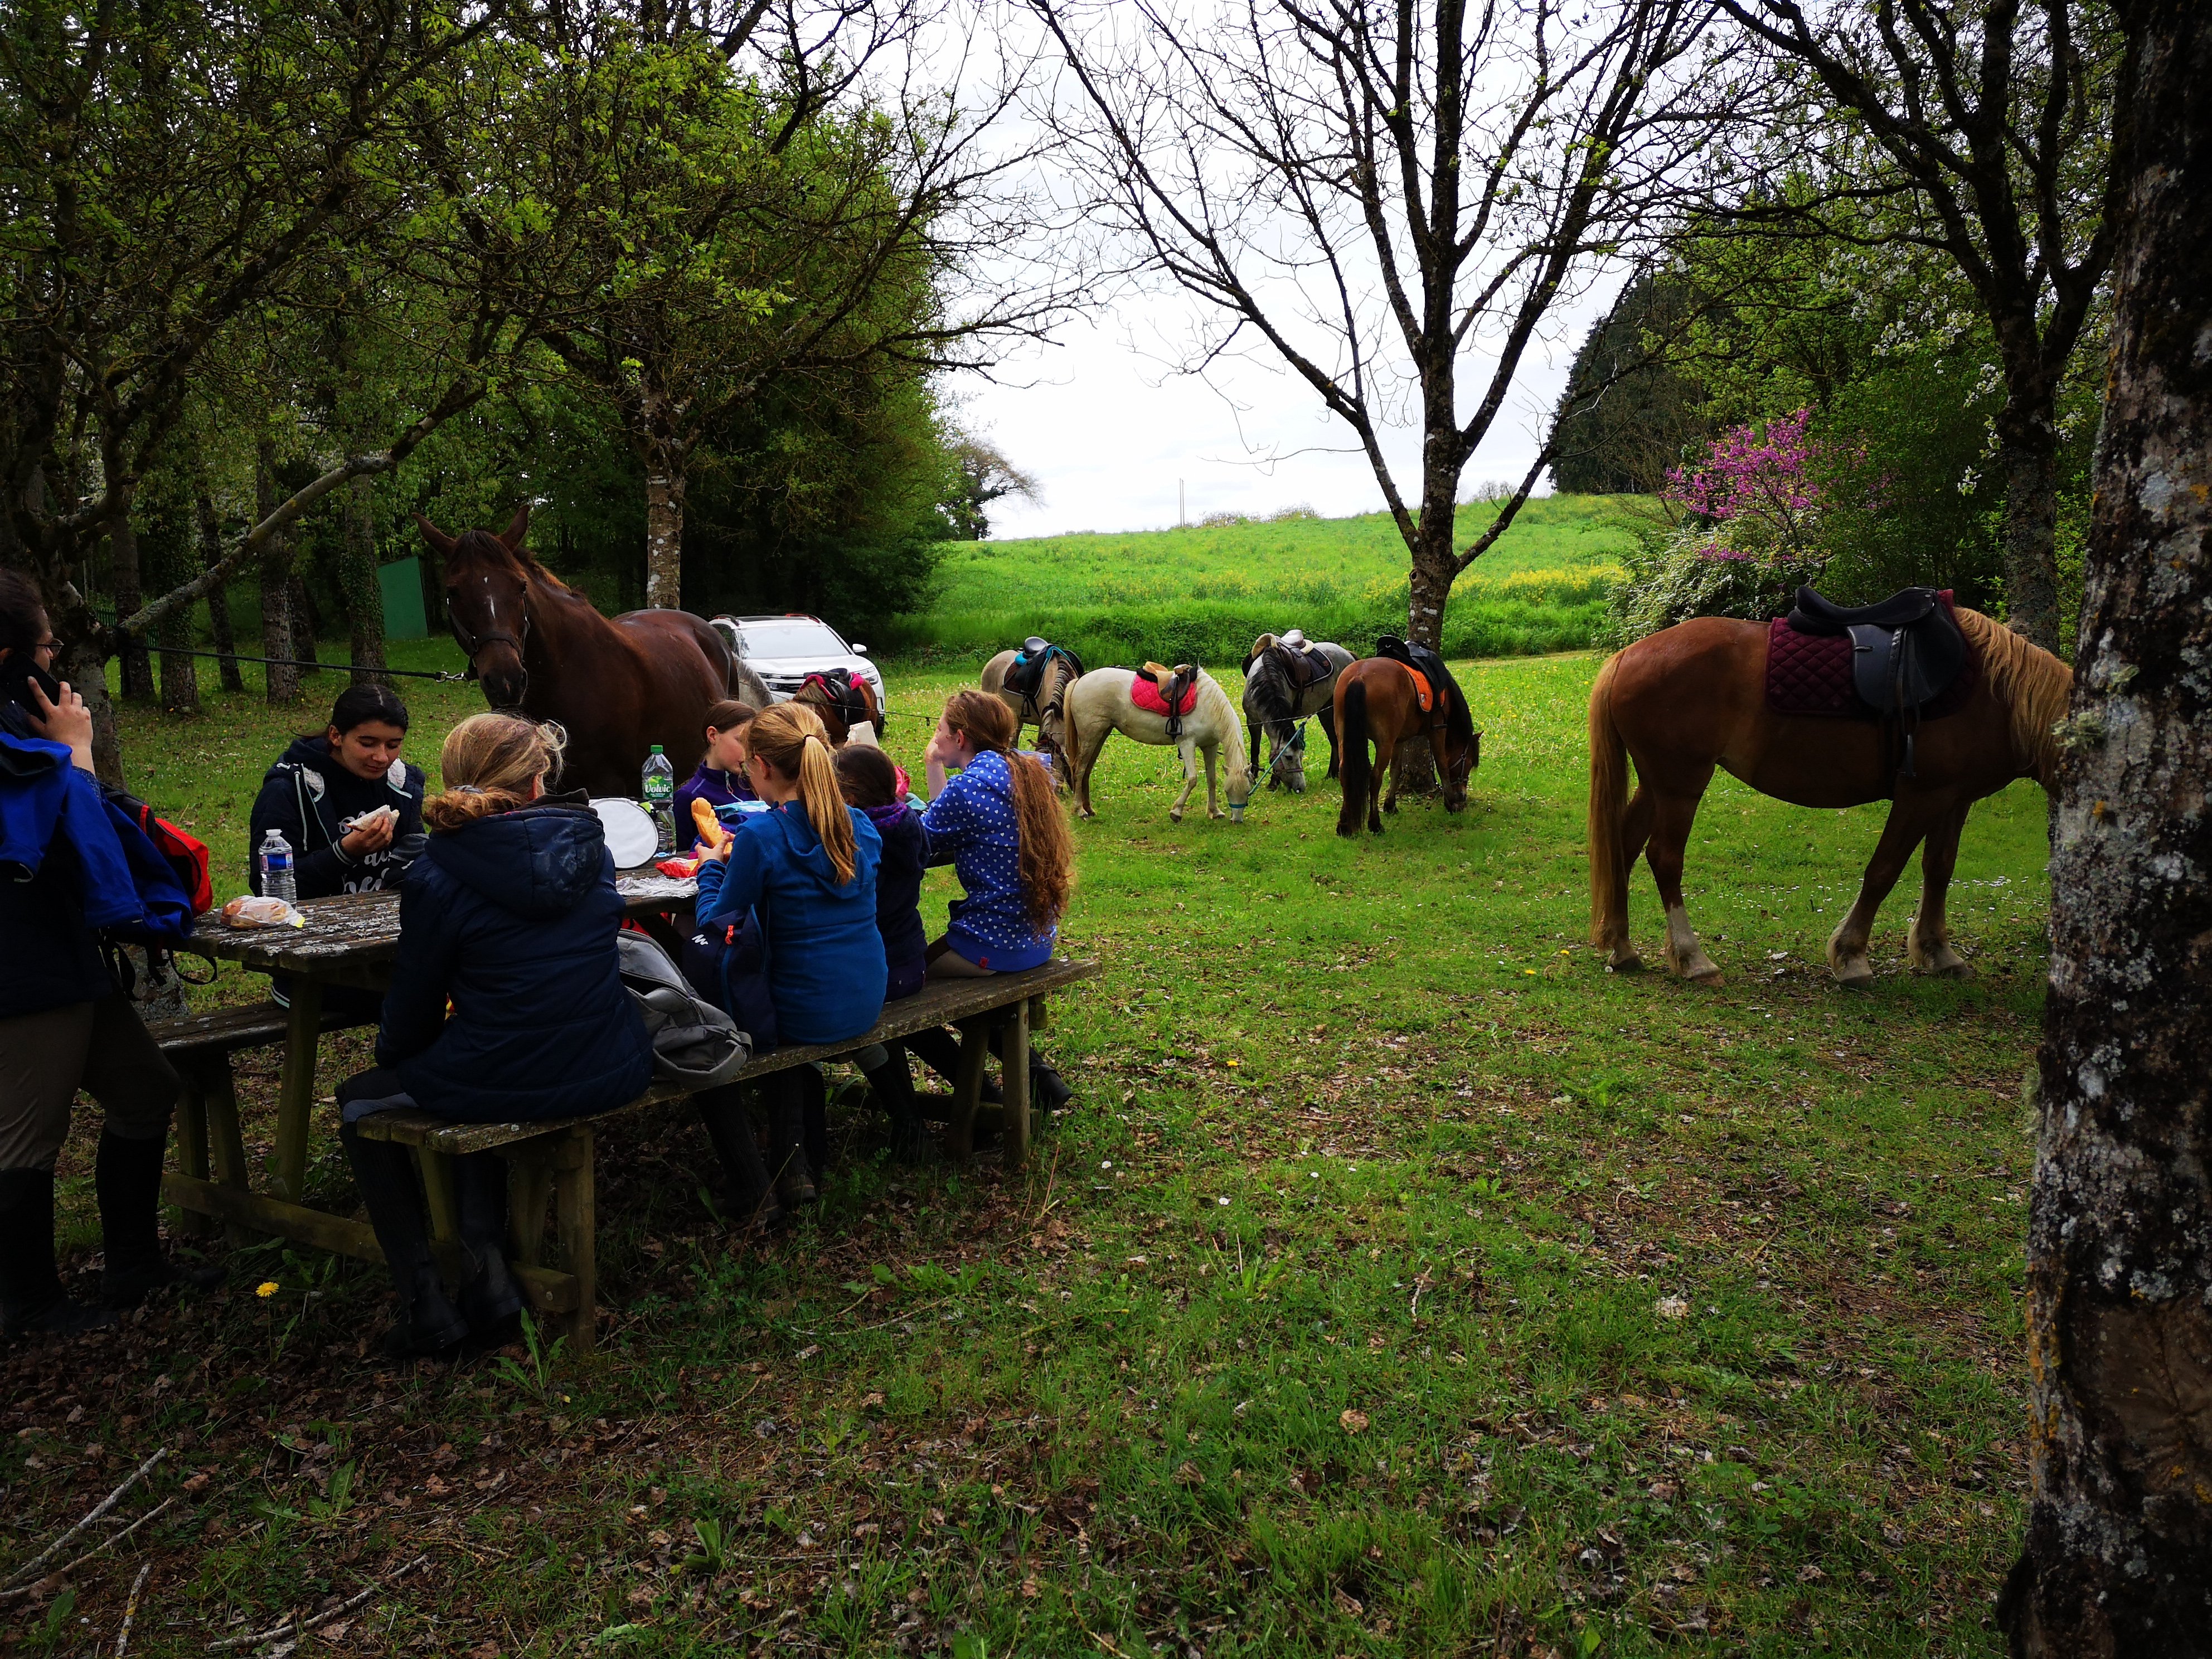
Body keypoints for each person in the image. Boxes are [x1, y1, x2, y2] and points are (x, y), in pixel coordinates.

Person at [334, 713, 653, 1357]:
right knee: (466, 1063)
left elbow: (414, 1007)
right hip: (612, 1062)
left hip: (511, 1071)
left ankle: (427, 1303)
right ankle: (487, 1279)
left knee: (364, 1100)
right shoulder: (592, 851)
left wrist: (395, 1055)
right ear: (538, 782)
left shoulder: (436, 872)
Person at [0, 572, 219, 1337]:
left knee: (144, 1088)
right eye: (47, 646)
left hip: (64, 953)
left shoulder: (18, 722)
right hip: (23, 966)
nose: (56, 659)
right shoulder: (18, 740)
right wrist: (78, 752)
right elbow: (75, 836)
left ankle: (133, 1265)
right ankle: (27, 1305)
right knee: (26, 1137)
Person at [693, 703, 885, 1216]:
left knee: (721, 1021)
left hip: (807, 1013)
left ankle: (759, 1180)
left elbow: (718, 925)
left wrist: (710, 869)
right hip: (866, 996)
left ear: (762, 767)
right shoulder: (861, 825)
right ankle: (795, 1163)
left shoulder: (761, 836)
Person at [916, 691, 1077, 1108]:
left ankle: (983, 1101)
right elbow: (946, 819)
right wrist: (937, 765)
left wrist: (931, 766)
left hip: (998, 944)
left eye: (940, 729)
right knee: (936, 988)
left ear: (960, 737)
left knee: (902, 985)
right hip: (1037, 935)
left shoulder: (968, 788)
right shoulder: (1029, 768)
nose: (936, 735)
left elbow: (922, 840)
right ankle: (1043, 1081)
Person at [835, 745, 935, 1159]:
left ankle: (909, 1126)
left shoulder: (857, 838)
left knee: (845, 1007)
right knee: (904, 1020)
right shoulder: (907, 820)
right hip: (912, 960)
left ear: (849, 797)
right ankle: (983, 1096)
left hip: (881, 971)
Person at [249, 682, 425, 899]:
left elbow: (419, 868)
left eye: (393, 745)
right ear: (335, 735)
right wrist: (343, 854)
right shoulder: (288, 789)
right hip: (313, 919)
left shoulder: (402, 785)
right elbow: (267, 888)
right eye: (367, 743)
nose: (382, 757)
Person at [673, 699, 759, 849]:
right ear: (713, 735)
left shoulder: (757, 785)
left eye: (751, 743)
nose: (748, 751)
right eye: (741, 740)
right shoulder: (689, 796)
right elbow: (684, 857)